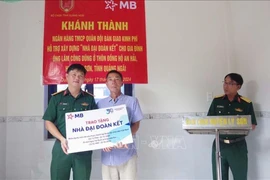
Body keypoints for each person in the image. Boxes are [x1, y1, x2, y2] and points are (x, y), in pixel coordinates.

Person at [43, 64, 97, 180]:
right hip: (61, 147)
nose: (77, 78)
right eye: (74, 75)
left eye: (80, 76)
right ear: (67, 76)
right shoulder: (57, 98)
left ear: (83, 79)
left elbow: (96, 123)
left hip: (83, 149)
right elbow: (48, 122)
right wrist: (62, 139)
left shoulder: (89, 99)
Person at [207, 73, 257, 180]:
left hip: (237, 146)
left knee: (240, 177)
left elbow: (252, 125)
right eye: (225, 82)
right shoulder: (217, 101)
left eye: (230, 83)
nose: (226, 86)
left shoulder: (246, 103)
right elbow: (209, 121)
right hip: (219, 145)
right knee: (219, 177)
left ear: (238, 86)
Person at [97, 70, 143, 180]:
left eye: (117, 79)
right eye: (110, 79)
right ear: (106, 84)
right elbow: (97, 128)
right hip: (107, 157)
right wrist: (103, 141)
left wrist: (124, 137)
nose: (113, 82)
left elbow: (136, 124)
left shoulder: (132, 101)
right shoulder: (100, 104)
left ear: (122, 83)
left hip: (126, 154)